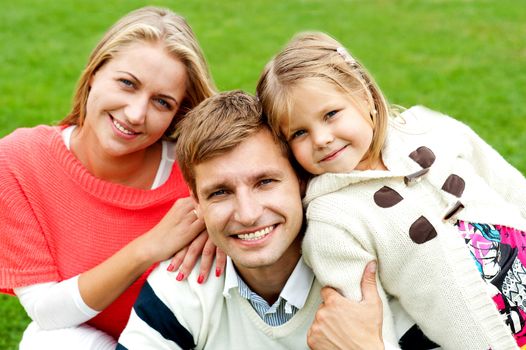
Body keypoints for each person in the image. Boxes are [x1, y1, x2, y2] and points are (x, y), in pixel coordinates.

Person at [256, 31, 526, 349]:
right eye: (299, 132)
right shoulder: (333, 220)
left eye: (330, 115)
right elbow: (366, 324)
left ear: (365, 95)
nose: (322, 139)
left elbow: (512, 189)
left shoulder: (432, 128)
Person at [0, 6, 225, 349]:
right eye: (127, 83)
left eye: (161, 103)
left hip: (197, 340)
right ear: (94, 72)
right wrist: (148, 248)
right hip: (96, 340)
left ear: (178, 113)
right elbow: (46, 312)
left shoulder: (201, 174)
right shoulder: (18, 161)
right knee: (46, 342)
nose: (135, 114)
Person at [117, 90, 390, 349]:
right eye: (220, 192)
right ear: (197, 202)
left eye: (265, 182)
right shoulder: (184, 284)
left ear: (301, 180)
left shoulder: (371, 265)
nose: (248, 215)